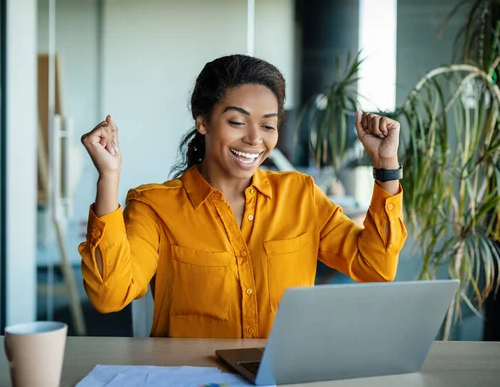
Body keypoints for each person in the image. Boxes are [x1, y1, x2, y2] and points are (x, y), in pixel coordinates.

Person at [78, 54, 407, 338]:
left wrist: (386, 165)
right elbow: (109, 295)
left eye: (268, 126)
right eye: (237, 121)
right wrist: (108, 177)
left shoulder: (300, 195)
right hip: (193, 378)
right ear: (203, 121)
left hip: (282, 377)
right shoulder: (155, 207)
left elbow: (375, 266)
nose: (254, 139)